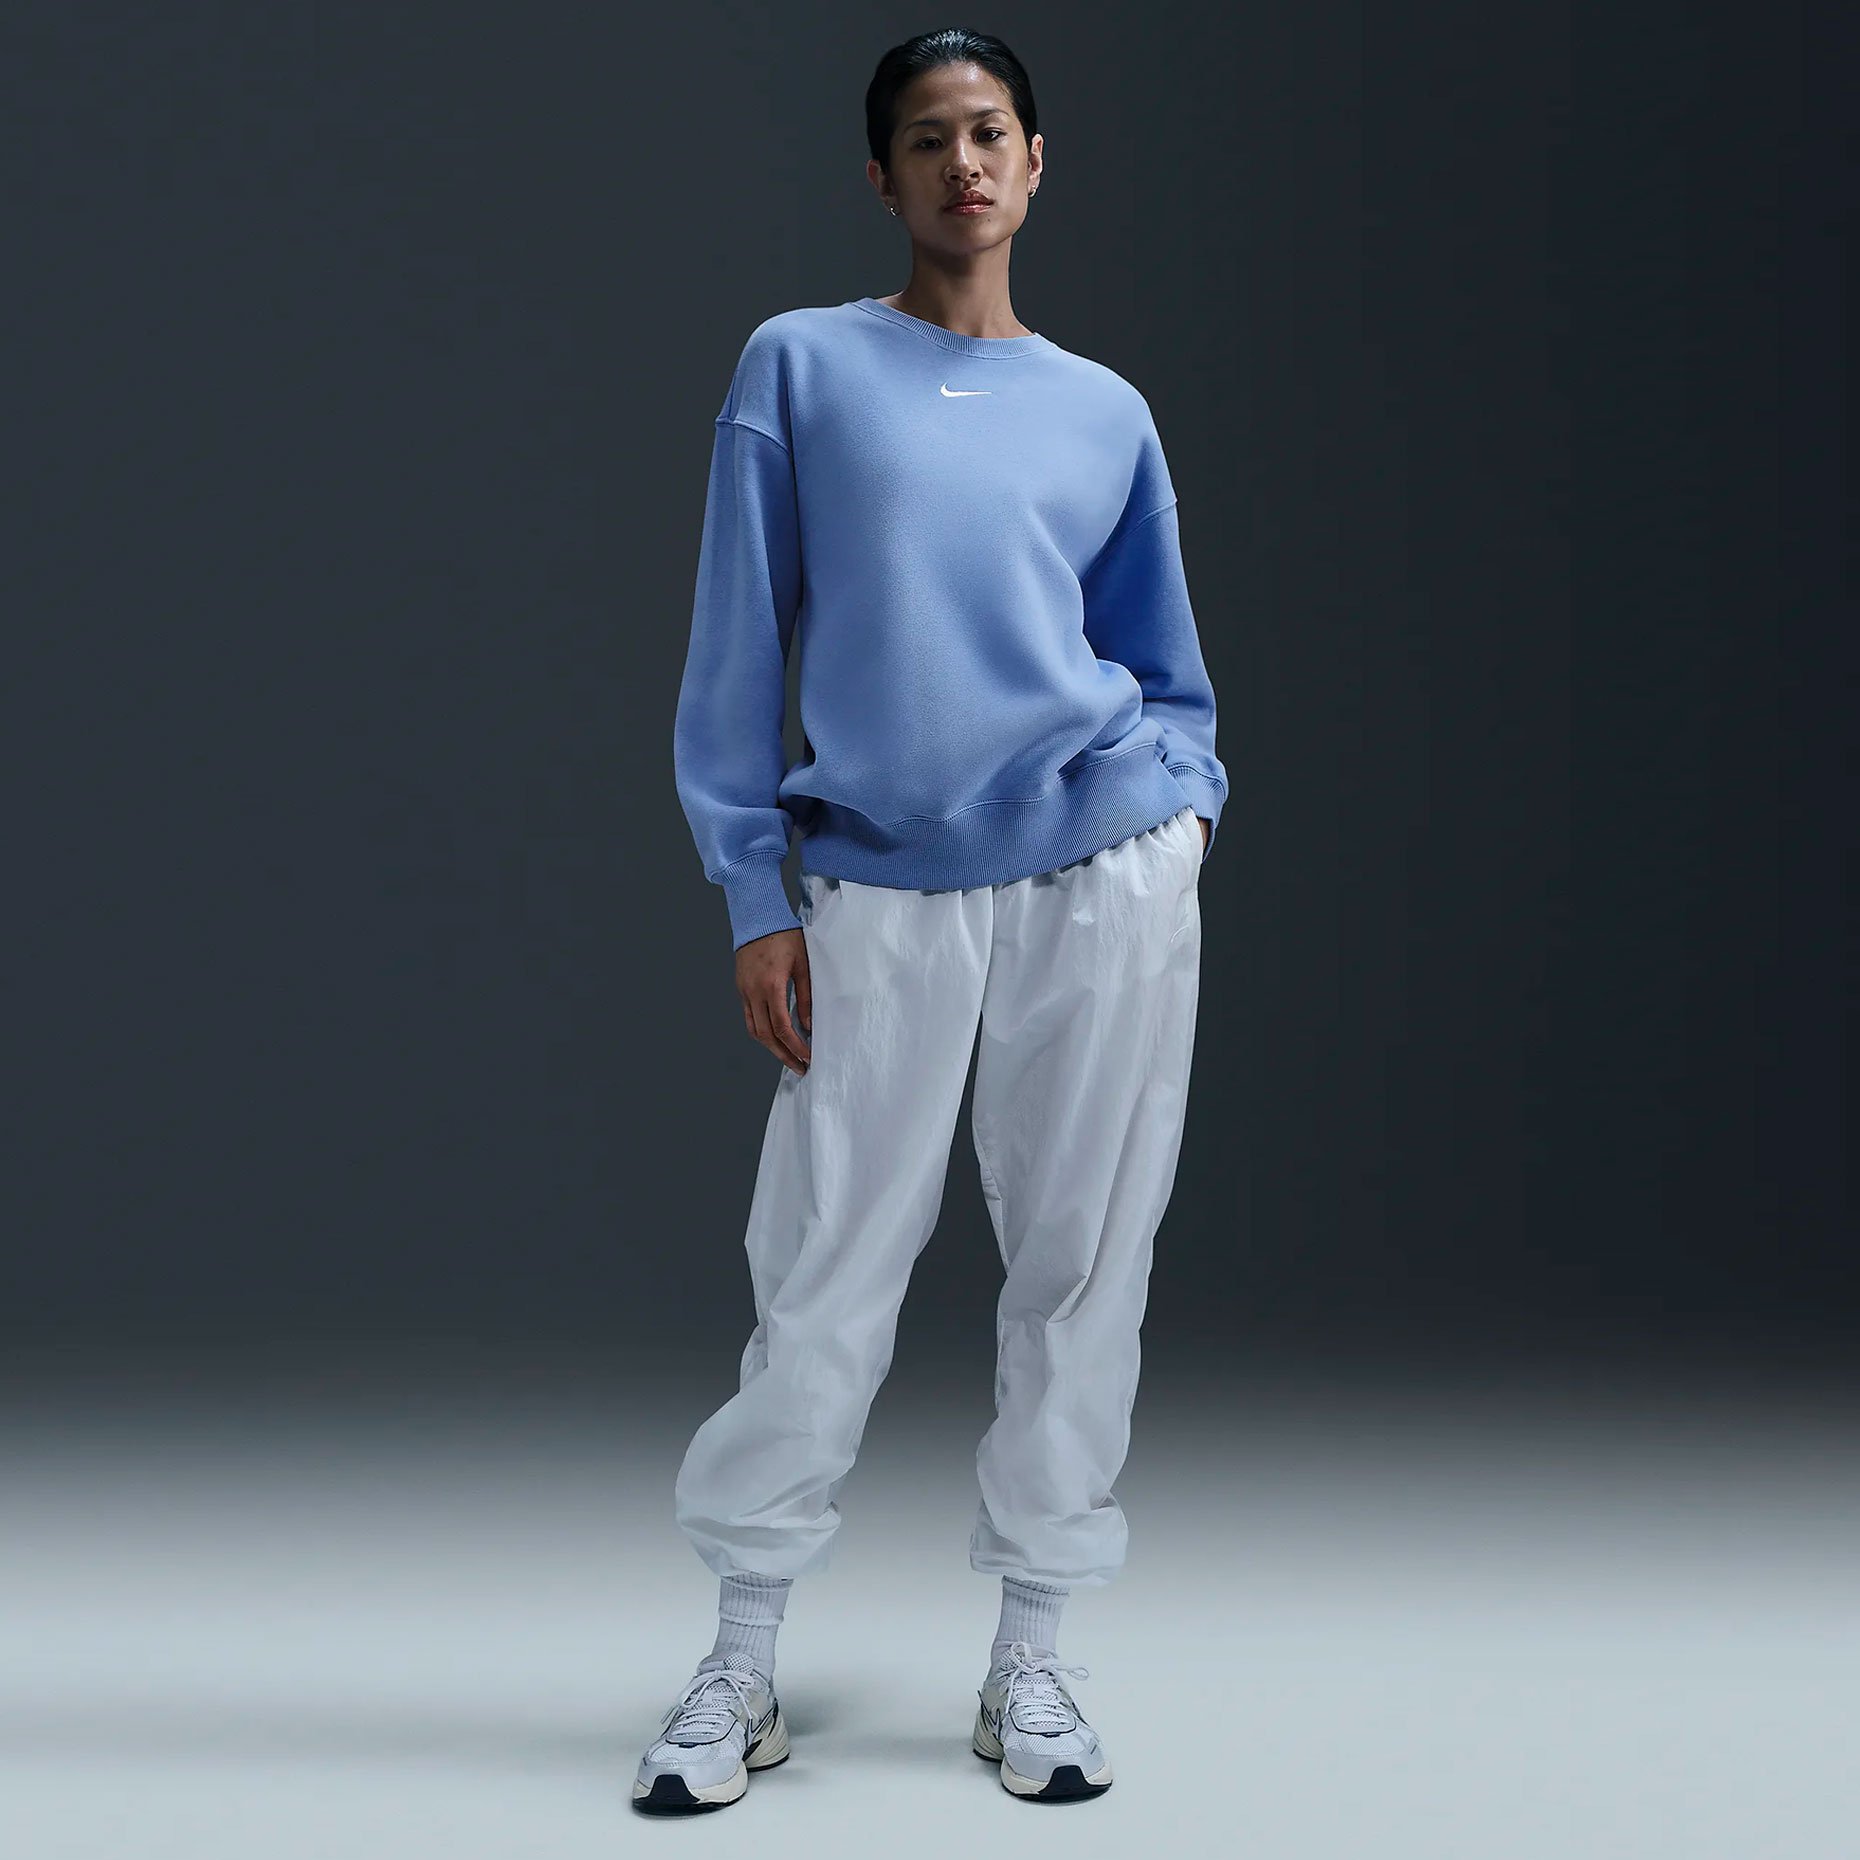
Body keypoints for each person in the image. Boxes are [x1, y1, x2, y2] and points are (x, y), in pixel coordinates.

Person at [633, 26, 1227, 1814]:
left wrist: (1182, 816)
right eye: (925, 138)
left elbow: (1167, 669)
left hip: (1103, 876)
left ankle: (1033, 1660)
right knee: (823, 1267)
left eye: (989, 132)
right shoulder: (801, 367)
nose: (962, 164)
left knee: (1085, 1263)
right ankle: (740, 1663)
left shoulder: (1105, 410)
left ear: (1037, 161)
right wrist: (756, 892)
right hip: (877, 882)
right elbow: (735, 655)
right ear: (881, 177)